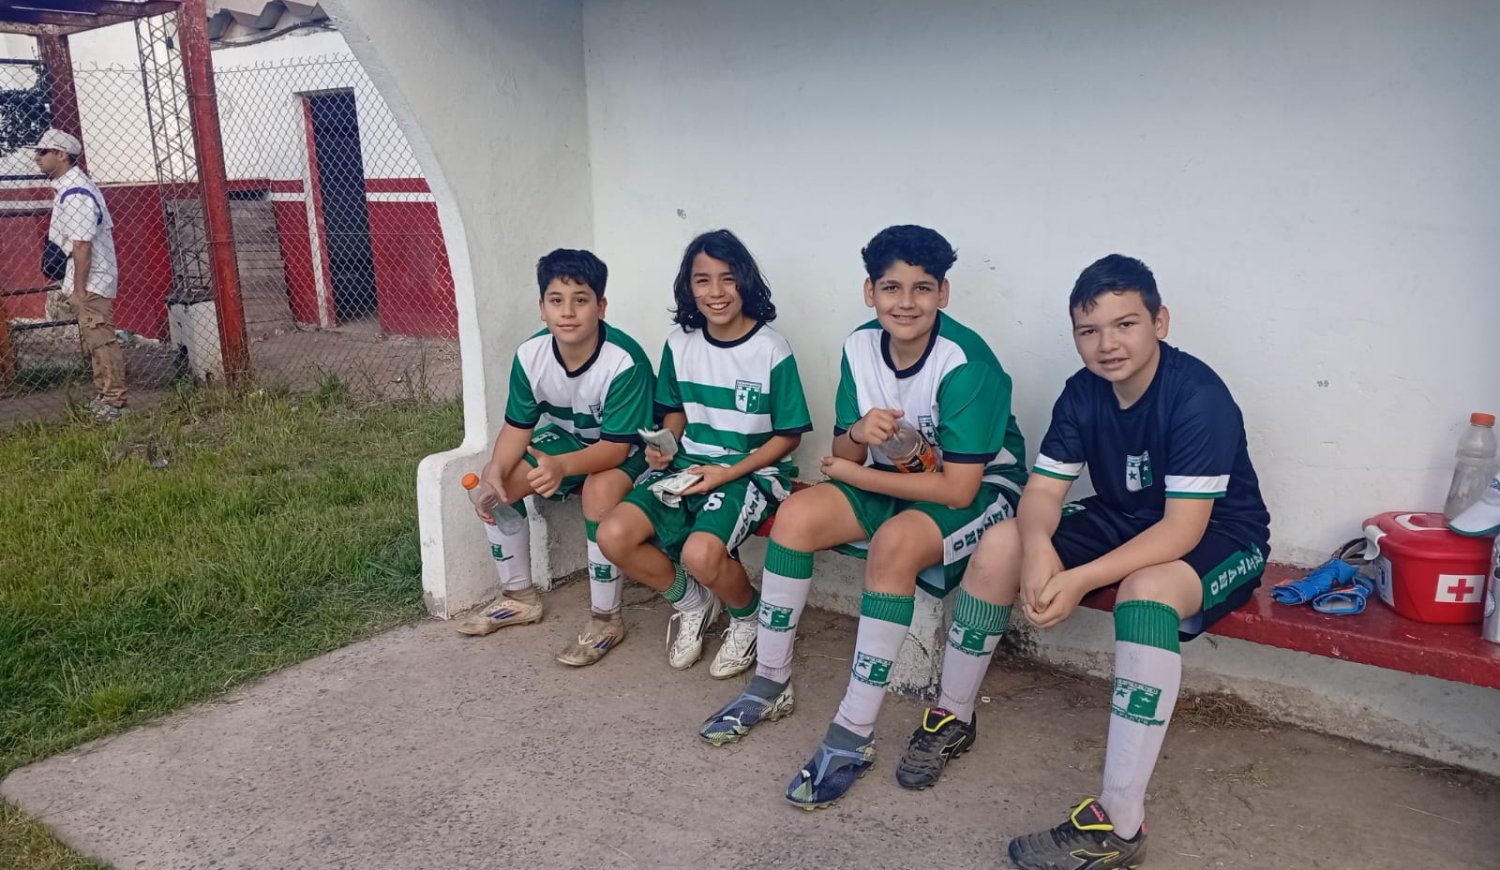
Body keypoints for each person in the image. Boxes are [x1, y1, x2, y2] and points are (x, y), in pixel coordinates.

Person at [698, 225, 1029, 810]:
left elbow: (957, 490)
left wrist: (856, 474)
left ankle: (853, 732)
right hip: (893, 478)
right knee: (797, 515)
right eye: (891, 288)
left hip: (981, 491)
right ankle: (770, 680)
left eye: (922, 288)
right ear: (870, 291)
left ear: (944, 293)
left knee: (894, 545)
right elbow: (843, 453)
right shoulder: (859, 345)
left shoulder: (967, 362)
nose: (906, 302)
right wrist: (856, 433)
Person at [971, 255, 1270, 869]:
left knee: (1145, 591)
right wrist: (1037, 549)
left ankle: (1119, 821)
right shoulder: (1083, 391)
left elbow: (1182, 529)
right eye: (1089, 330)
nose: (1107, 344)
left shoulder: (1198, 395)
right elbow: (1042, 492)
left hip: (1220, 534)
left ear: (1160, 322)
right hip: (1126, 516)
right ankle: (949, 716)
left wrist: (1077, 578)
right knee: (1003, 541)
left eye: (1125, 324)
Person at [597, 229, 811, 678]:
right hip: (687, 466)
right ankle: (693, 603)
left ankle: (747, 617)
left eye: (727, 278)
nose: (716, 292)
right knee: (613, 536)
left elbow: (788, 437)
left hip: (751, 473)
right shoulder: (680, 342)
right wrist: (665, 447)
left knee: (700, 554)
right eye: (703, 280)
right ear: (688, 287)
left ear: (745, 281)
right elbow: (674, 410)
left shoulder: (770, 348)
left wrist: (725, 473)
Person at [459, 248, 657, 669]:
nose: (567, 312)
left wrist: (563, 467)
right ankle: (519, 596)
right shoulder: (530, 355)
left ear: (601, 307)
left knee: (599, 491)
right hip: (572, 440)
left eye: (580, 300)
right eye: (556, 300)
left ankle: (606, 619)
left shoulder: (625, 360)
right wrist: (495, 472)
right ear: (542, 308)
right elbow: (517, 427)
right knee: (502, 486)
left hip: (633, 450)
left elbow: (615, 449)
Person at [33, 128, 124, 422]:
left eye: (43, 152)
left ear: (62, 155)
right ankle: (106, 395)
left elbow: (82, 244)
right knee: (95, 339)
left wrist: (81, 289)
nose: (37, 158)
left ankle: (114, 401)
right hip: (85, 277)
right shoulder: (70, 188)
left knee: (101, 340)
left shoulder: (76, 194)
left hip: (90, 280)